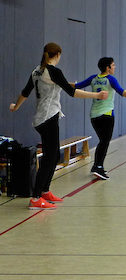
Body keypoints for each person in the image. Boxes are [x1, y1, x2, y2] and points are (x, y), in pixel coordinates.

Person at [8, 43, 108, 209]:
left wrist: (15, 106)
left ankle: (45, 191)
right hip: (48, 118)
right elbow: (72, 92)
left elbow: (26, 92)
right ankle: (35, 198)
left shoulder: (37, 71)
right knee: (49, 158)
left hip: (41, 119)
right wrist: (96, 94)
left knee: (53, 156)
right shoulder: (54, 71)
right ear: (58, 54)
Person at [74, 57, 126, 180]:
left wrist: (62, 83)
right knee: (104, 141)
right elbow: (121, 92)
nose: (115, 67)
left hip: (94, 116)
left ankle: (97, 166)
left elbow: (77, 86)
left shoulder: (93, 78)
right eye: (113, 65)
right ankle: (98, 167)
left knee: (102, 141)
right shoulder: (110, 79)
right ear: (107, 68)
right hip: (107, 115)